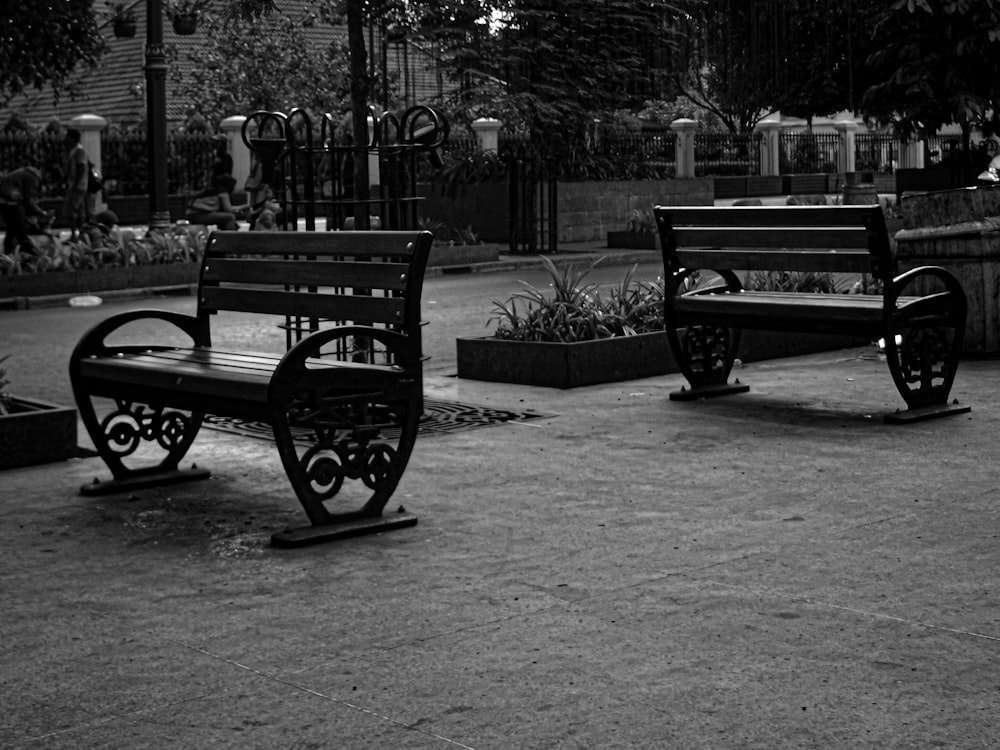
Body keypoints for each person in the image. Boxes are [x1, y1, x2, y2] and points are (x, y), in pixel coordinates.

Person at [0, 166, 50, 256]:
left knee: (12, 231)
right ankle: (31, 256)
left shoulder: (27, 174)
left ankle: (7, 255)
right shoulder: (33, 178)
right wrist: (41, 212)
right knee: (21, 233)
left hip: (6, 202)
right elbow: (29, 200)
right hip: (10, 203)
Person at [62, 128, 90, 241]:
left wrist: (76, 184)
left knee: (72, 210)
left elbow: (82, 167)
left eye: (68, 136)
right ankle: (81, 235)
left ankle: (75, 235)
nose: (65, 139)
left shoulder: (79, 151)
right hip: (77, 184)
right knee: (79, 210)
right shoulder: (74, 151)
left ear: (73, 138)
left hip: (78, 185)